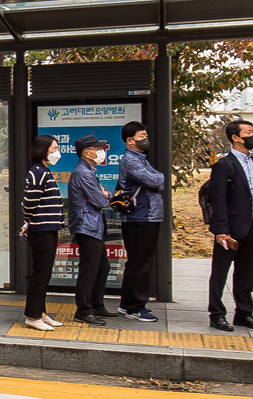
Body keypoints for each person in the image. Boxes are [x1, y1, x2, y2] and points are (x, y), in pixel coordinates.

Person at [202, 120, 253, 331]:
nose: (252, 136)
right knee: (220, 271)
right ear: (236, 137)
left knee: (246, 271)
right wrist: (221, 230)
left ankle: (244, 312)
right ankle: (217, 313)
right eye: (248, 132)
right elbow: (218, 199)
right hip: (230, 227)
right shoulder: (224, 165)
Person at [115, 120, 166, 322]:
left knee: (136, 262)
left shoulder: (140, 158)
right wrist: (158, 177)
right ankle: (136, 307)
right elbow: (157, 180)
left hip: (145, 216)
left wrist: (158, 176)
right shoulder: (131, 160)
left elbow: (157, 178)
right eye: (142, 136)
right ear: (130, 141)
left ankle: (127, 303)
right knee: (141, 263)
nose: (146, 139)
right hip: (140, 217)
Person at [66, 135, 114, 324]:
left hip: (94, 225)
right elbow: (101, 200)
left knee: (102, 266)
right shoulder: (83, 173)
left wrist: (103, 193)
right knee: (90, 268)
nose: (101, 152)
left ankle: (97, 305)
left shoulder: (88, 171)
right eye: (98, 148)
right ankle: (83, 310)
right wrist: (106, 194)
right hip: (87, 226)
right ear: (87, 153)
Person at [20, 136, 66, 331]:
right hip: (42, 229)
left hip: (48, 228)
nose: (57, 152)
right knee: (40, 273)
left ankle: (41, 312)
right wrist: (29, 221)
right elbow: (29, 202)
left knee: (44, 273)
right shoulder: (38, 172)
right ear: (43, 150)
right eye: (53, 148)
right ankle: (32, 315)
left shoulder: (44, 171)